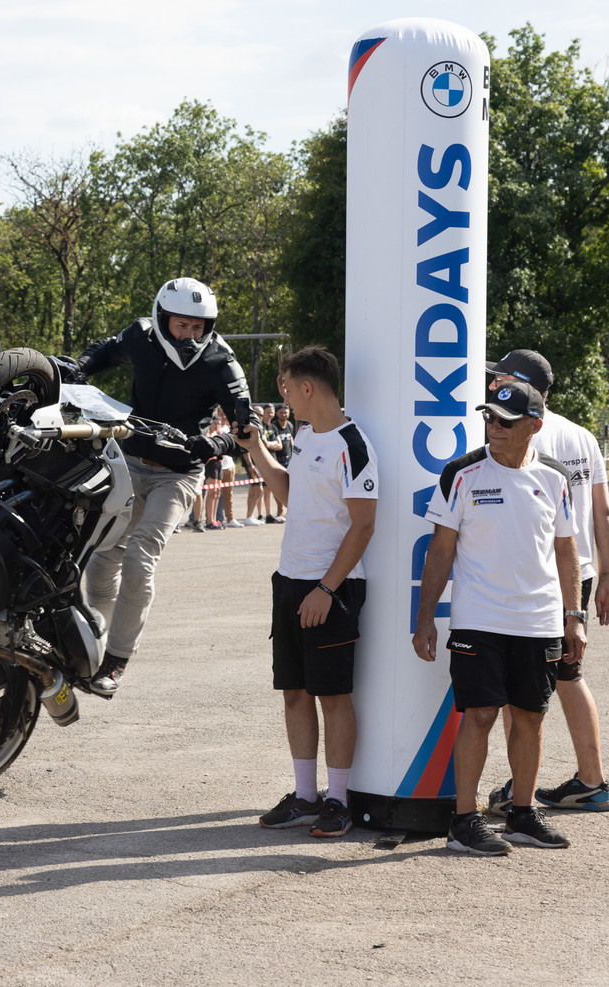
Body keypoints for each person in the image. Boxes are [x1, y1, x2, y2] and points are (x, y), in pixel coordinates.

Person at [412, 380, 585, 856]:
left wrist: (575, 616)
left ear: (535, 426)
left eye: (506, 421)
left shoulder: (555, 477)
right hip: (478, 619)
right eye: (490, 417)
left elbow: (566, 549)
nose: (494, 427)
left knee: (530, 717)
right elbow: (440, 550)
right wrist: (425, 618)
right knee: (481, 714)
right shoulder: (461, 473)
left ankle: (522, 815)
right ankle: (464, 820)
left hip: (539, 621)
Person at [71, 277, 255, 695]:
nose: (190, 335)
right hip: (129, 464)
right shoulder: (141, 335)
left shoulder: (221, 362)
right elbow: (105, 350)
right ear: (162, 317)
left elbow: (249, 425)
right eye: (182, 325)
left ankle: (117, 658)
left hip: (179, 474)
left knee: (139, 560)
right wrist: (79, 365)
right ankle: (92, 644)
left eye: (198, 327)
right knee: (102, 559)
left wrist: (219, 443)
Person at [484, 350, 609, 813]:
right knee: (569, 677)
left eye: (499, 377)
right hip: (579, 573)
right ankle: (592, 780)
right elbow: (603, 512)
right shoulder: (582, 435)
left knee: (518, 687)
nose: (493, 385)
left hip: (537, 575)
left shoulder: (521, 429)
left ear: (520, 382)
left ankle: (517, 789)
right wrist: (608, 577)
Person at [251, 348, 378, 841]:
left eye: (285, 387)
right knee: (295, 692)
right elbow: (290, 494)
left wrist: (326, 588)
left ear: (307, 388)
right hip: (289, 580)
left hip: (333, 588)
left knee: (333, 696)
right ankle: (305, 797)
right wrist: (255, 449)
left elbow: (363, 525)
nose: (282, 397)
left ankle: (338, 801)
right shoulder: (304, 436)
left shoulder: (354, 444)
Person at [263, 404, 295, 523]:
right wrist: (273, 445)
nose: (284, 415)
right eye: (281, 412)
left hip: (289, 459)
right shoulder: (274, 426)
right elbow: (270, 444)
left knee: (290, 486)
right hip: (277, 459)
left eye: (286, 412)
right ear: (277, 413)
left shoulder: (290, 425)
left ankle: (289, 510)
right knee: (278, 486)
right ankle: (280, 510)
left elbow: (291, 440)